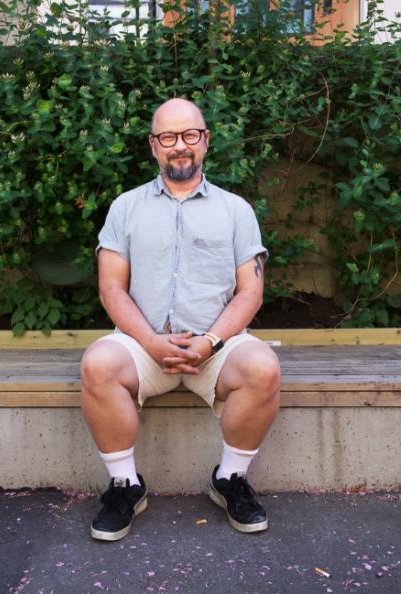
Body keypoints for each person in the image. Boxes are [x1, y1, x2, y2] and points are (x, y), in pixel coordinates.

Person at [81, 97, 281, 542]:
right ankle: (125, 486)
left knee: (264, 367)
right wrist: (150, 342)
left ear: (205, 141)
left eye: (189, 135)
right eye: (168, 137)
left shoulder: (235, 210)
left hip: (216, 347)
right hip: (142, 345)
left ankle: (229, 479)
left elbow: (250, 290)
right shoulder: (125, 207)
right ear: (154, 146)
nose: (180, 146)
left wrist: (211, 340)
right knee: (97, 363)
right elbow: (111, 287)